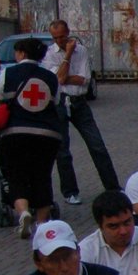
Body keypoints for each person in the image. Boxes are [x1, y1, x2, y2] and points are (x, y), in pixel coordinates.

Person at [0, 36, 64, 239]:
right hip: (47, 135)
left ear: (22, 54)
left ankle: (23, 212)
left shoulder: (8, 73)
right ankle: (42, 223)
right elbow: (56, 101)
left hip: (15, 134)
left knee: (17, 175)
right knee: (42, 176)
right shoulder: (50, 77)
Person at [46, 20, 120, 207]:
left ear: (68, 33)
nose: (60, 41)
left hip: (79, 103)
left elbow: (84, 80)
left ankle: (113, 188)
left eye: (62, 36)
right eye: (55, 38)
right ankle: (70, 191)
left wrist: (66, 73)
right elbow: (58, 80)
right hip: (60, 103)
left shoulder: (83, 50)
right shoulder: (49, 53)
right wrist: (68, 56)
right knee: (62, 151)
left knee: (97, 146)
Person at [78, 191, 138, 275]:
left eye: (127, 222)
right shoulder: (86, 252)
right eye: (114, 226)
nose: (123, 231)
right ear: (100, 226)